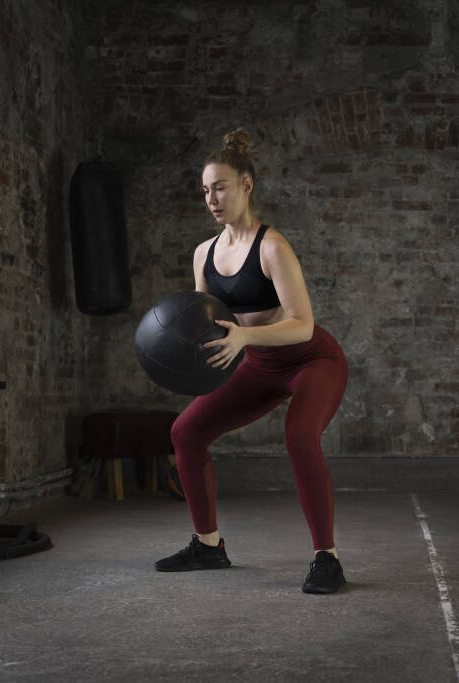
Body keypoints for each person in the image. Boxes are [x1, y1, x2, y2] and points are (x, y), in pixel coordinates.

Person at [154, 129, 350, 594]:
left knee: (300, 435)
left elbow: (302, 323)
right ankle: (208, 545)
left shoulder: (272, 247)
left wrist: (243, 336)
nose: (211, 199)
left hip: (311, 359)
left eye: (220, 187)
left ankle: (328, 559)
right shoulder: (203, 254)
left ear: (246, 184)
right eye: (205, 190)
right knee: (186, 432)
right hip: (258, 364)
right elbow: (205, 325)